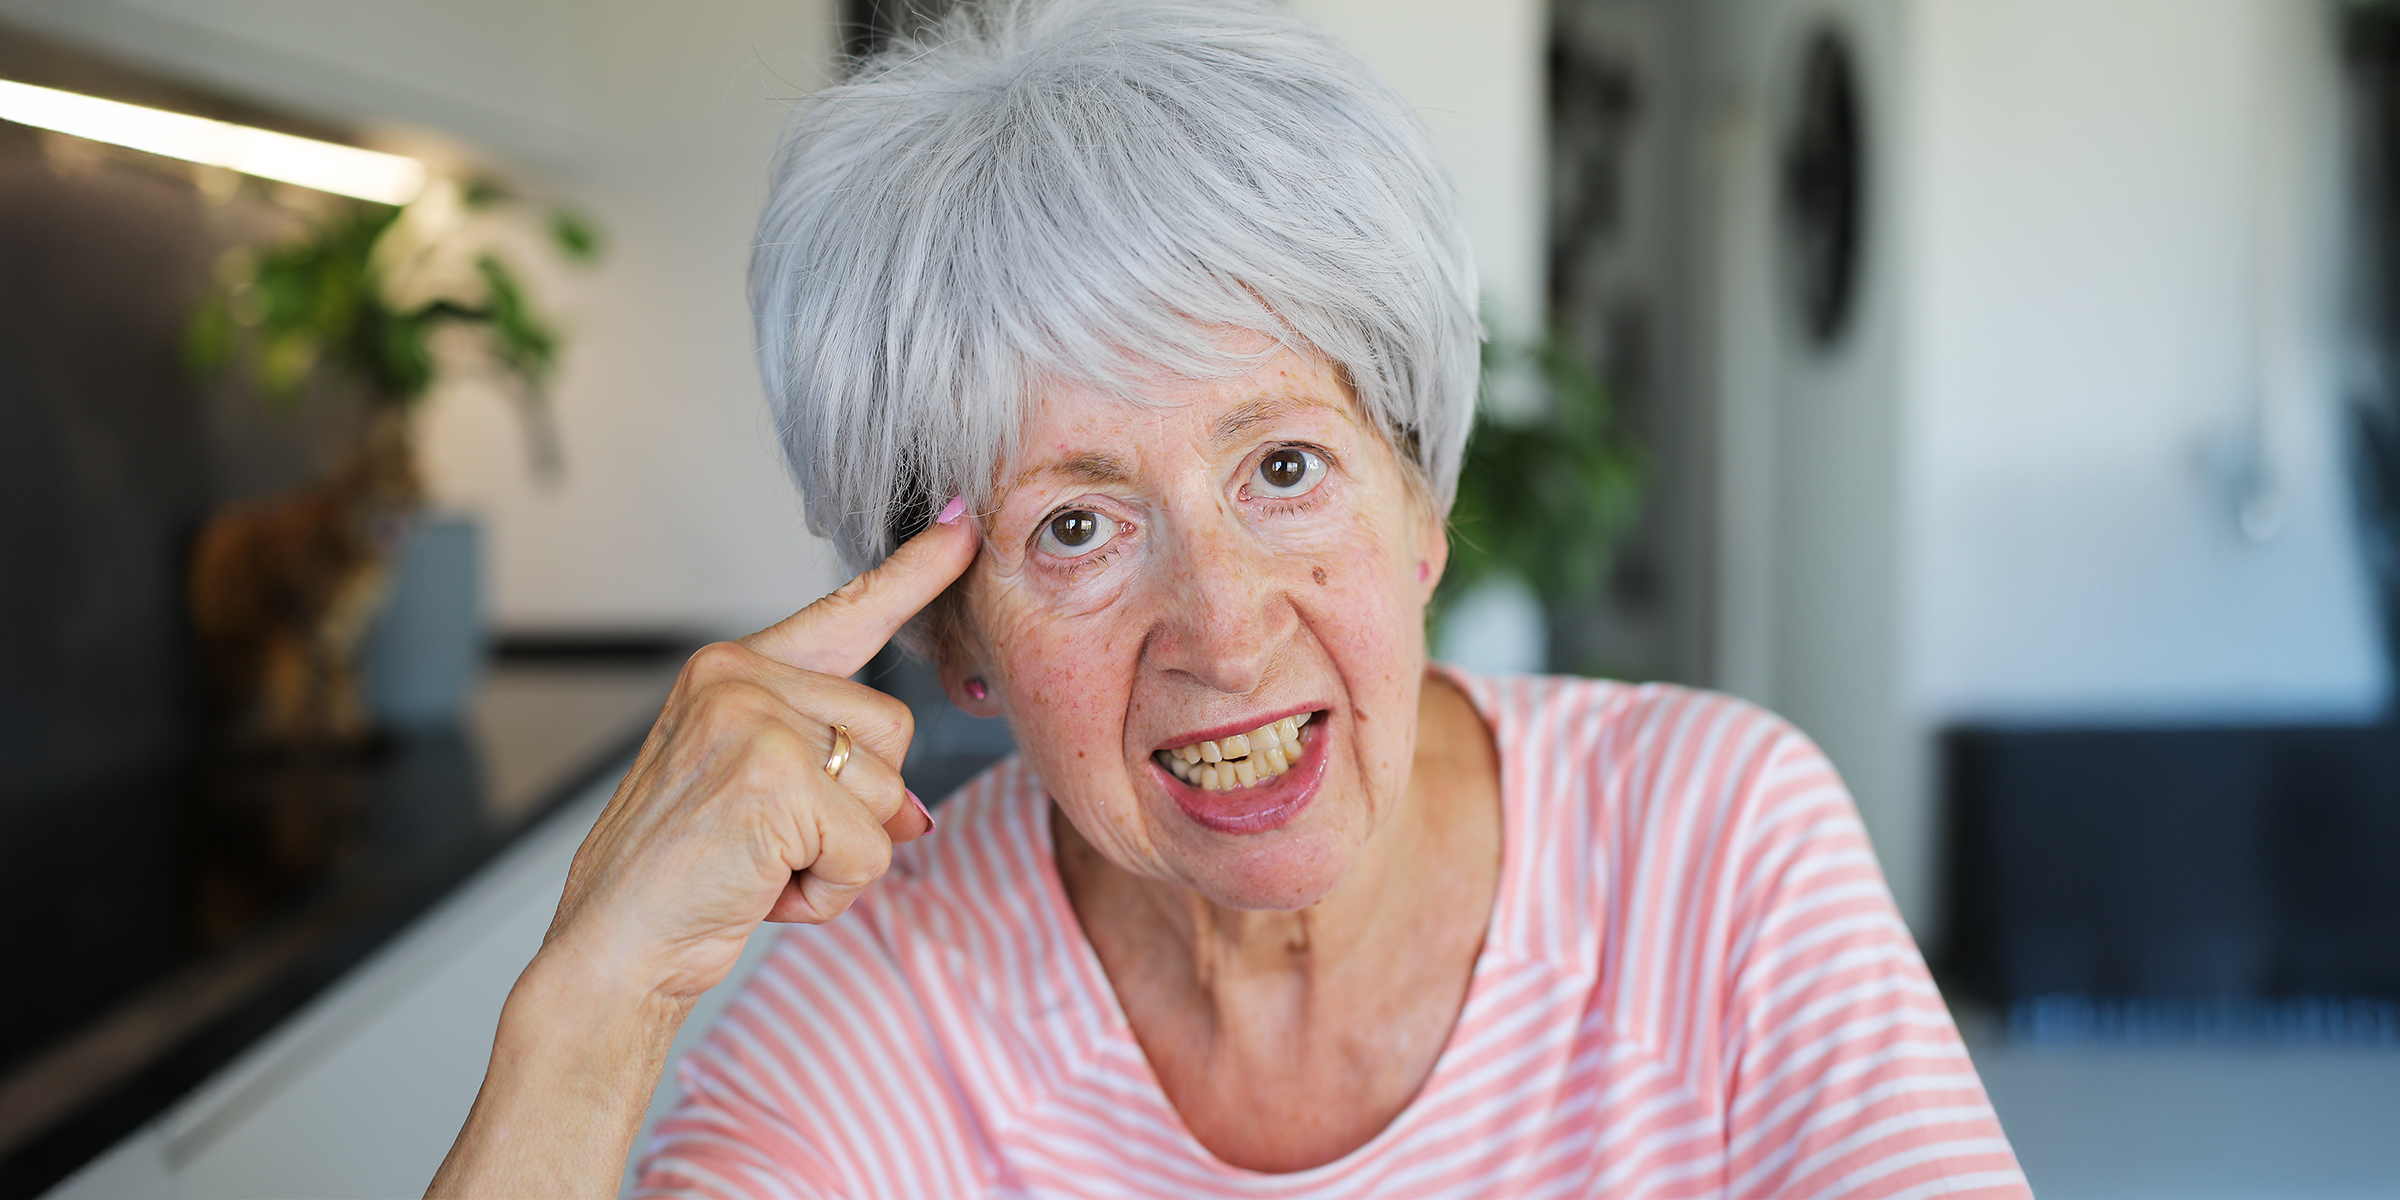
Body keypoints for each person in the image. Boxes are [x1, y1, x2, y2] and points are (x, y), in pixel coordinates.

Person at [430, 1, 2029, 1195]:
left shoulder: (1720, 842)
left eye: (1281, 469)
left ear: (1421, 506)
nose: (1225, 629)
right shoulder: (890, 996)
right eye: (1074, 527)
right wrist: (590, 1008)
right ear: (955, 639)